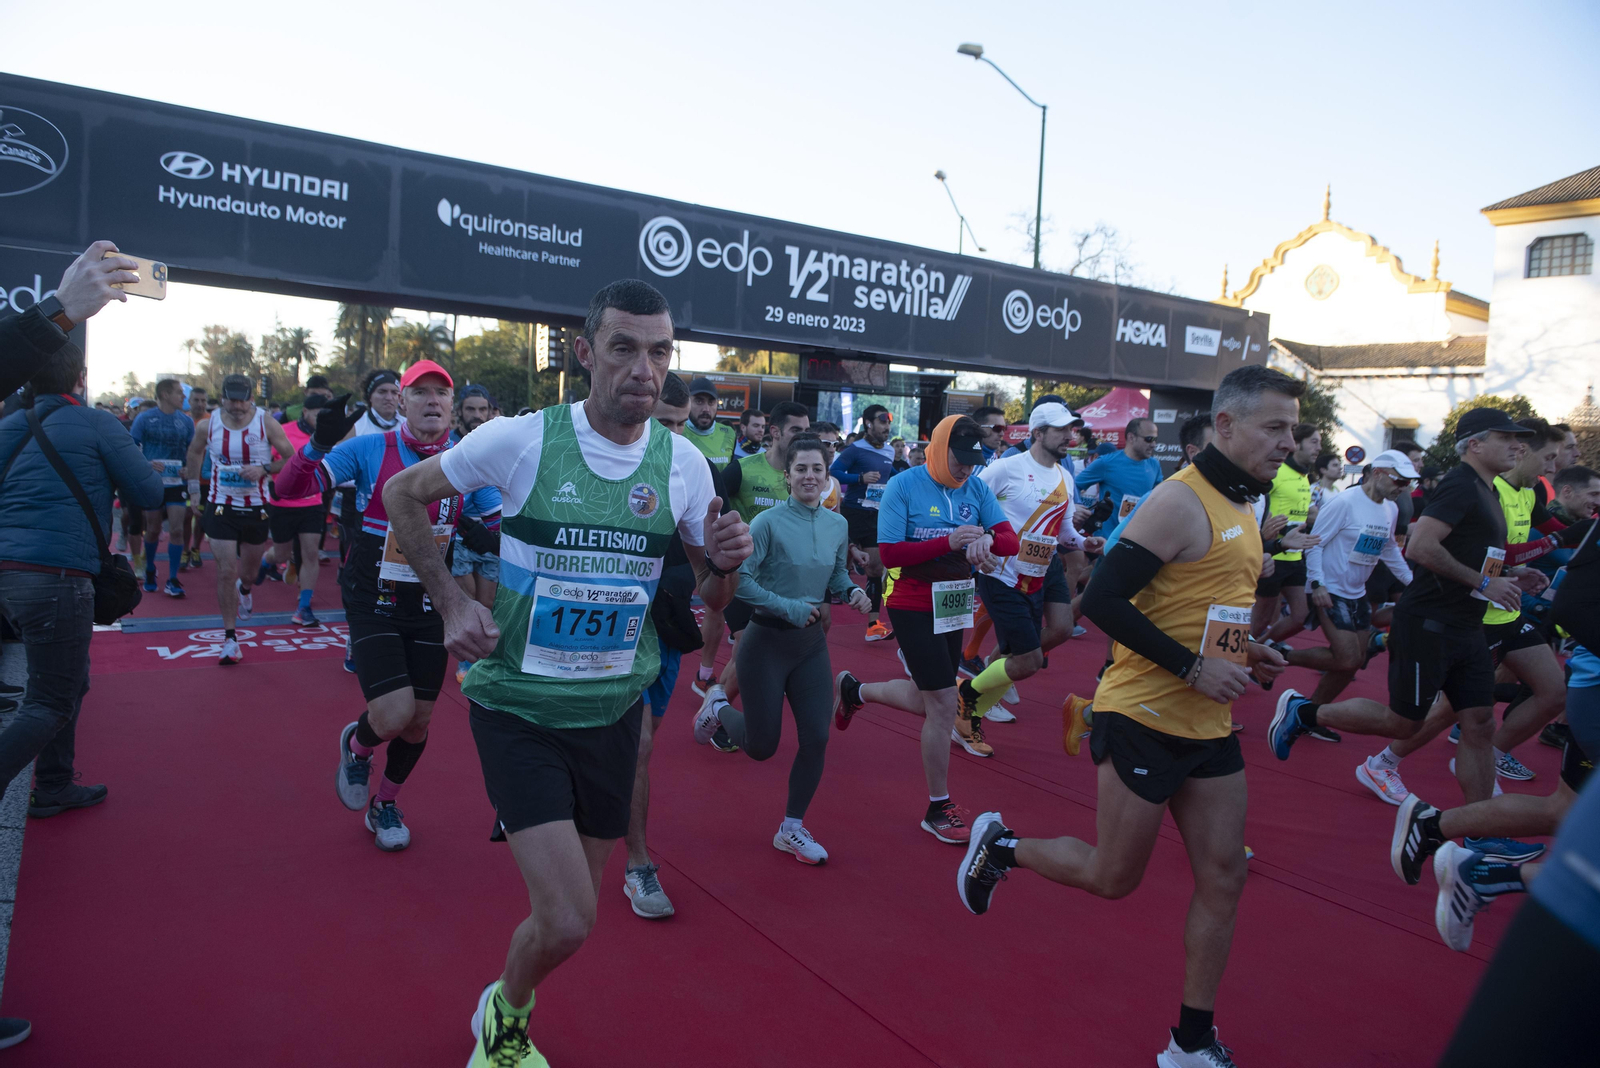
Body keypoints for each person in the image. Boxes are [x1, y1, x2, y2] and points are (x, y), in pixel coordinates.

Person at [381, 280, 750, 1067]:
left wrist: (726, 568)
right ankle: (506, 1027)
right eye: (623, 348)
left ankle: (503, 1000)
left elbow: (710, 592)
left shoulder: (683, 465)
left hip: (614, 712)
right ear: (586, 354)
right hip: (518, 707)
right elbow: (402, 494)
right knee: (573, 918)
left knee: (563, 924)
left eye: (658, 351)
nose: (643, 369)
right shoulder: (521, 439)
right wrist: (449, 603)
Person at [957, 365, 1297, 1068]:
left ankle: (1190, 1043)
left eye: (1292, 428)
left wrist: (1245, 649)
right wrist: (1192, 666)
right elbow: (1102, 604)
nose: (1288, 442)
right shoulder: (1180, 501)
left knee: (1224, 874)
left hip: (1207, 722)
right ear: (1226, 426)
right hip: (1141, 711)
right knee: (1115, 878)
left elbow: (1207, 606)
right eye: (1275, 427)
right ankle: (1004, 847)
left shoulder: (1247, 505)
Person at [0, 329, 161, 1053]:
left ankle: (56, 782)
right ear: (82, 376)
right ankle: (30, 778)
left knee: (63, 682)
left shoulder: (9, 424)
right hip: (60, 574)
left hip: (6, 570)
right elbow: (150, 492)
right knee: (53, 698)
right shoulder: (96, 424)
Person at [1269, 410, 1545, 812]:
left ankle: (1480, 828)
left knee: (1480, 724)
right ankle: (1305, 709)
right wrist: (1317, 585)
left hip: (1465, 623)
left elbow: (1444, 552)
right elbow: (1420, 547)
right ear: (1475, 444)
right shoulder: (1460, 486)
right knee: (1403, 720)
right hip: (1430, 623)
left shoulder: (1487, 491)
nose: (1517, 446)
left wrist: (1512, 571)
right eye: (1507, 438)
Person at [278, 360, 501, 852]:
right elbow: (289, 491)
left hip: (431, 598)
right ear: (401, 402)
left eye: (440, 394)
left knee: (420, 720)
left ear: (451, 407)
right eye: (418, 392)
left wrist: (490, 535)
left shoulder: (468, 462)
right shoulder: (366, 449)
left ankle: (386, 804)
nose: (431, 402)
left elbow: (501, 529)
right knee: (395, 712)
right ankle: (357, 746)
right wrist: (315, 447)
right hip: (372, 595)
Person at [832, 415, 1018, 843]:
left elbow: (1010, 539)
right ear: (936, 449)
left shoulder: (976, 488)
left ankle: (854, 691)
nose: (967, 469)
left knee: (929, 699)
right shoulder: (905, 484)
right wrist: (951, 543)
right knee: (942, 704)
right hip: (912, 602)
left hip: (955, 604)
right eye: (959, 459)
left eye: (974, 461)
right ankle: (938, 807)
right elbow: (891, 553)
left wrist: (986, 542)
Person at [693, 435, 871, 863]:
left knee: (817, 737)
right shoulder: (767, 523)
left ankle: (791, 828)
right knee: (761, 746)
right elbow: (742, 582)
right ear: (786, 475)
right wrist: (788, 607)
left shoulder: (837, 525)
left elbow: (835, 578)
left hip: (809, 646)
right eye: (801, 470)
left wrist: (852, 593)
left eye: (817, 470)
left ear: (828, 477)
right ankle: (717, 707)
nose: (810, 477)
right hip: (765, 640)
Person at [623, 371, 719, 918]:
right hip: (602, 625)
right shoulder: (592, 456)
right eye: (664, 422)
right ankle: (638, 866)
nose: (674, 435)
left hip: (665, 628)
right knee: (630, 746)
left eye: (681, 425)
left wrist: (728, 568)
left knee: (642, 744)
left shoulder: (690, 465)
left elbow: (710, 568)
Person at [959, 403, 1103, 750]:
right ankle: (969, 701)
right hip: (1002, 570)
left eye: (1072, 429)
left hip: (1046, 565)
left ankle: (997, 666)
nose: (1070, 436)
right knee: (1031, 661)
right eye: (1061, 430)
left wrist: (1085, 542)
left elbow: (1065, 530)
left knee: (1062, 629)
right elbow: (969, 505)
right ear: (1038, 433)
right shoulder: (1006, 468)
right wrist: (979, 542)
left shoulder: (1065, 476)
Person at [1277, 451, 1416, 798]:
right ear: (1379, 473)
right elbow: (1314, 544)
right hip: (1331, 590)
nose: (1403, 488)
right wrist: (1318, 585)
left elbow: (1388, 551)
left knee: (1352, 660)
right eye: (1399, 480)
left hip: (1357, 593)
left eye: (1408, 482)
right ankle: (1279, 654)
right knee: (1348, 658)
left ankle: (1309, 715)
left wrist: (1415, 584)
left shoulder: (1391, 508)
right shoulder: (1343, 503)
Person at [696, 401, 811, 726]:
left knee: (762, 650)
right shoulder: (743, 469)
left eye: (807, 430)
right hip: (742, 576)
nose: (804, 437)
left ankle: (717, 701)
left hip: (785, 580)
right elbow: (711, 503)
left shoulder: (801, 476)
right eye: (796, 431)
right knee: (749, 646)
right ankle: (721, 716)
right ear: (775, 432)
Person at [184, 374, 298, 665]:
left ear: (251, 398)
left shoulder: (266, 422)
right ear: (222, 397)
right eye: (231, 400)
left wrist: (264, 468)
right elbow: (195, 454)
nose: (237, 406)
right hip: (221, 505)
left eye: (242, 400)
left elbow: (291, 458)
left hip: (257, 506)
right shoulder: (208, 425)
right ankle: (230, 639)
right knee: (225, 570)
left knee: (246, 575)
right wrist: (194, 489)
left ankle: (245, 590)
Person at [831, 404, 898, 640]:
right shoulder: (855, 449)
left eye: (889, 422)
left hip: (876, 515)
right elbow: (834, 471)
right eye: (882, 422)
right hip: (852, 513)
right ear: (868, 423)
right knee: (836, 567)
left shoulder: (890, 451)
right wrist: (860, 478)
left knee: (876, 569)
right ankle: (818, 615)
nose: (887, 427)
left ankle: (873, 625)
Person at [263, 395, 331, 626]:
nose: (321, 420)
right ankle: (266, 563)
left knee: (310, 553)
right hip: (282, 504)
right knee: (280, 554)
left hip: (312, 504)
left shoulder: (326, 436)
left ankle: (304, 607)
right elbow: (271, 464)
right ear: (305, 412)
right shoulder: (283, 431)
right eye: (317, 415)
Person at [1251, 422, 1321, 647]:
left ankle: (1262, 647)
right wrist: (1267, 532)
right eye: (1314, 442)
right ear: (1296, 444)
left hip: (1295, 557)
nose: (1319, 448)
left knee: (1301, 616)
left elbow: (1301, 514)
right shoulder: (1278, 472)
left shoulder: (1303, 477)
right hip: (1273, 556)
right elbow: (1256, 503)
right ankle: (1238, 659)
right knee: (1259, 620)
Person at [451, 385, 501, 685]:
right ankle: (466, 660)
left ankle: (480, 655)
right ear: (460, 412)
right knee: (468, 601)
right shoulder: (448, 445)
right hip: (458, 536)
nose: (477, 415)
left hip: (492, 535)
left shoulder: (497, 444)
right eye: (470, 409)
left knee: (488, 605)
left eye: (482, 409)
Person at [128, 378, 196, 598]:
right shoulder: (144, 419)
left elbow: (193, 452)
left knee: (177, 529)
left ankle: (173, 578)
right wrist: (146, 464)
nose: (183, 397)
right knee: (154, 529)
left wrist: (188, 469)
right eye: (179, 393)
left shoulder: (186, 422)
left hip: (177, 483)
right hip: (153, 483)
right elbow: (130, 448)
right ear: (165, 394)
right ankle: (149, 570)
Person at [1074, 415, 1163, 531]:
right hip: (1106, 541)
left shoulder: (1154, 465)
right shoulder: (1106, 462)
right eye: (1149, 439)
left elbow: (1158, 497)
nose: (1153, 445)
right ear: (1131, 437)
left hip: (1136, 539)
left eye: (1155, 440)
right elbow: (1074, 486)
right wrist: (1077, 508)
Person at [181, 385, 210, 570]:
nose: (200, 404)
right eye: (196, 400)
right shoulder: (183, 421)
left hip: (207, 480)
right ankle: (184, 550)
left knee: (200, 517)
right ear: (189, 401)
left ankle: (196, 549)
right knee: (186, 515)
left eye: (203, 401)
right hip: (185, 478)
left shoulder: (213, 421)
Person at [683, 377, 736, 468]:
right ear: (688, 402)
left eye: (711, 402)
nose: (706, 409)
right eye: (699, 401)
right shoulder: (677, 432)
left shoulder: (729, 433)